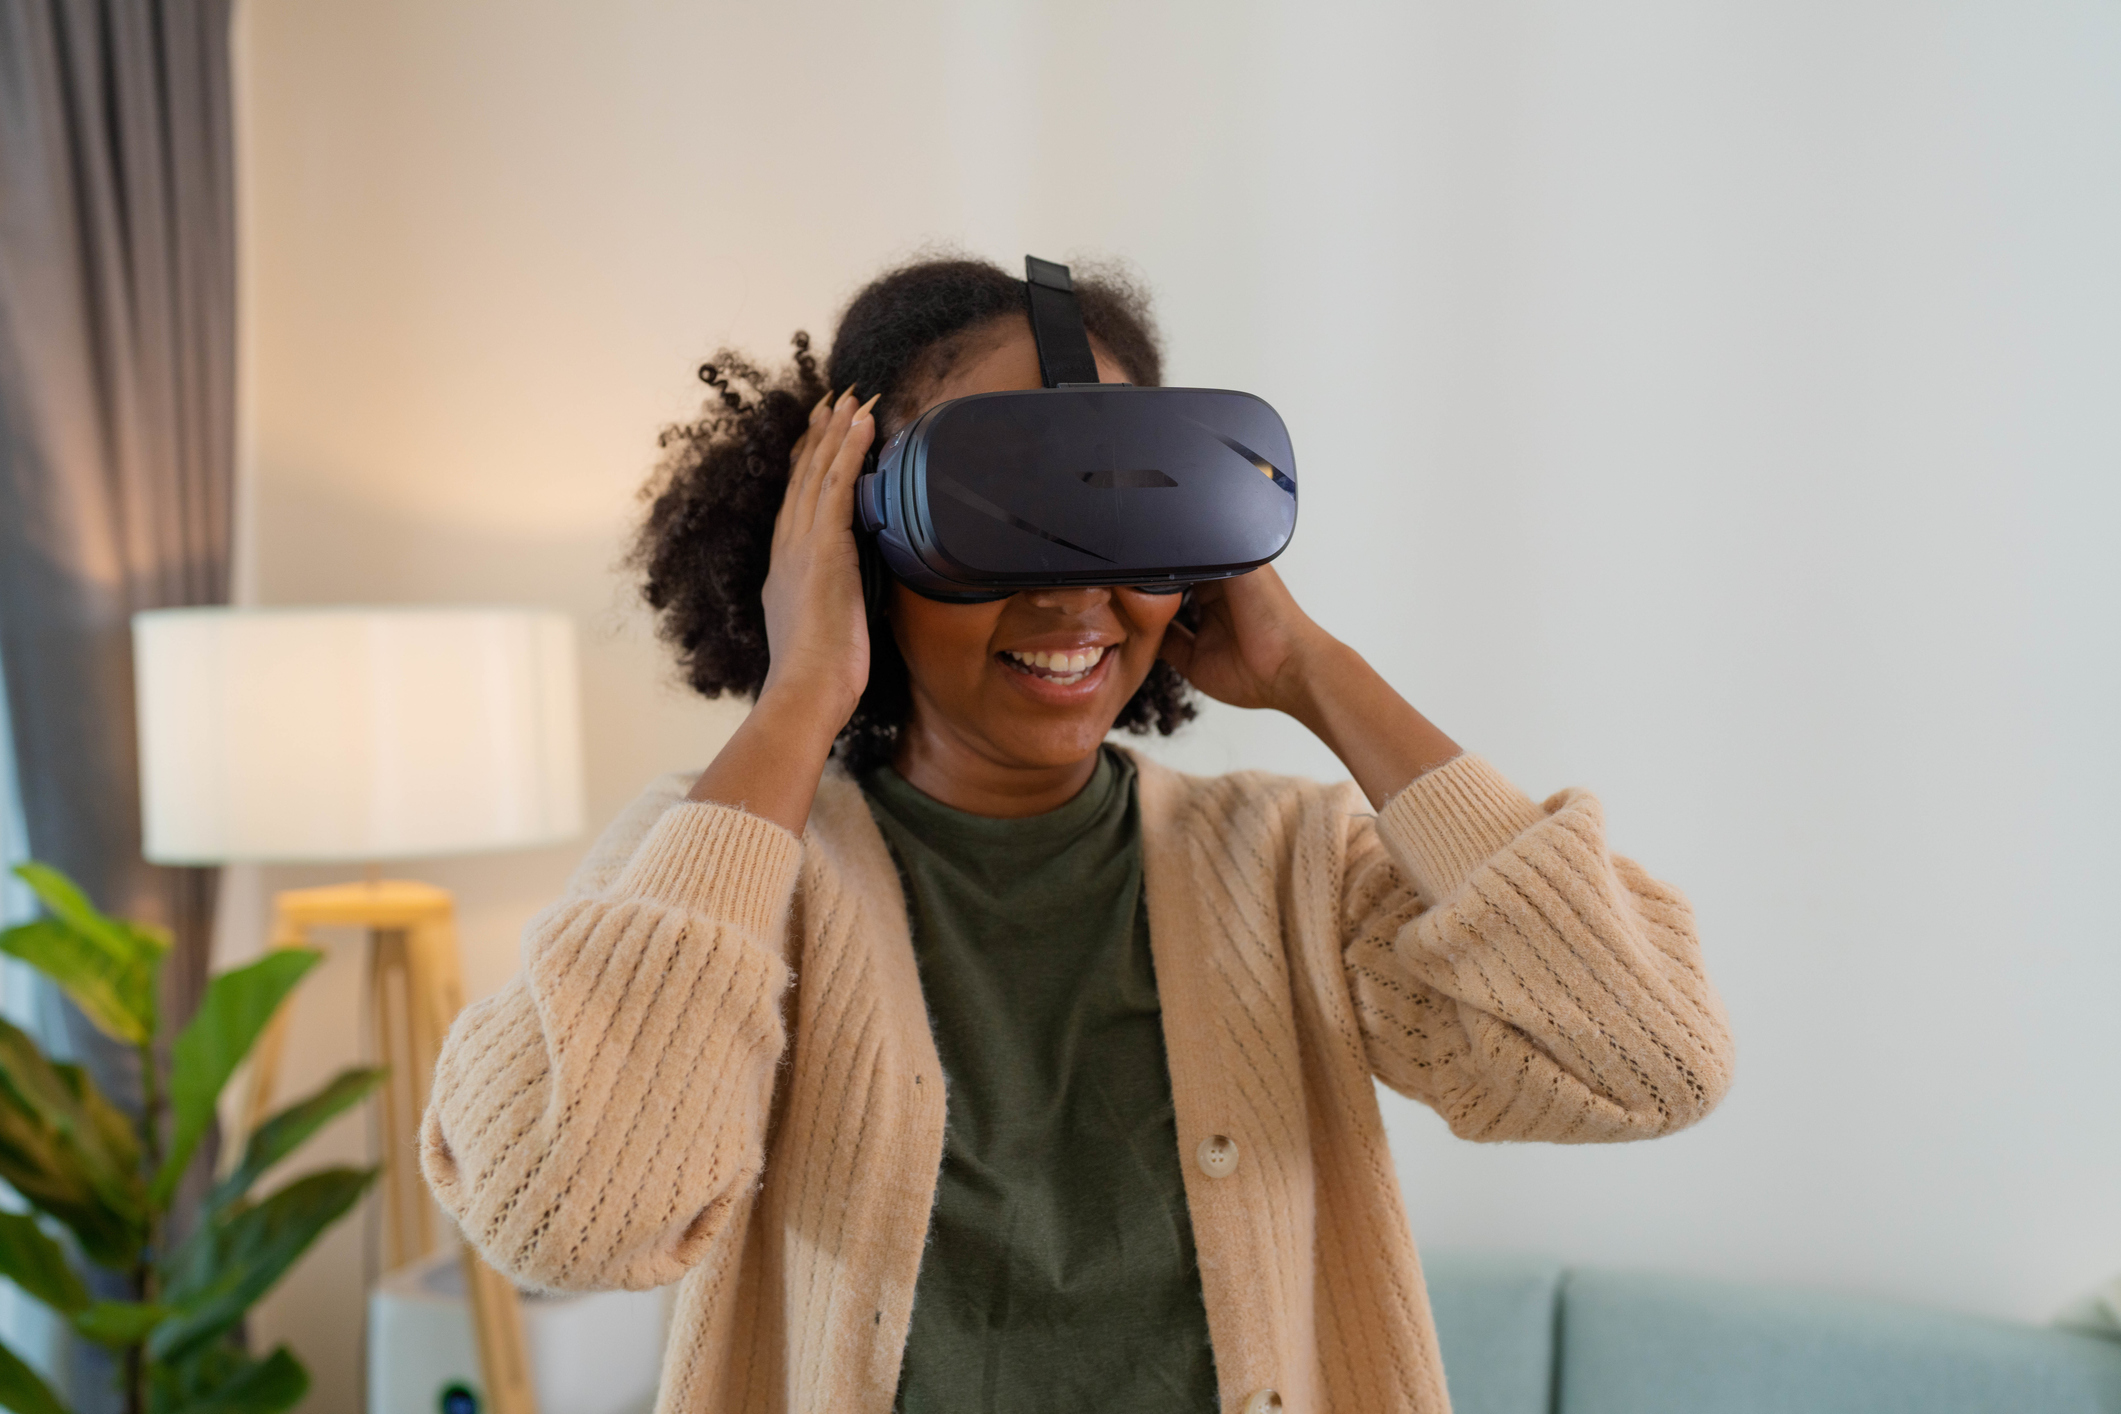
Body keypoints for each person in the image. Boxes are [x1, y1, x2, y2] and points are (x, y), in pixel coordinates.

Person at [420, 256, 1735, 1414]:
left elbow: (1648, 1062)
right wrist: (794, 697)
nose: (1071, 594)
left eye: (1122, 509)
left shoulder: (1291, 869)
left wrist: (1314, 669)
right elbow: (568, 1215)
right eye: (995, 516)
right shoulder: (727, 861)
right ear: (854, 538)